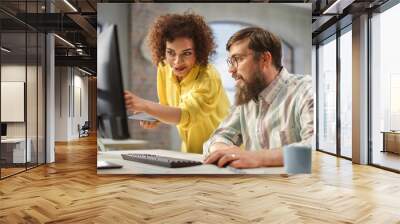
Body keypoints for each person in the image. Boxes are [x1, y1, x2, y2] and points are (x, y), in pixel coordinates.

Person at [203, 27, 313, 168]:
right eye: (231, 61)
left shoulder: (306, 90)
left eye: (238, 59)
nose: (231, 70)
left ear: (265, 59)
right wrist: (224, 151)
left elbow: (316, 151)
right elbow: (218, 138)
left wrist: (258, 158)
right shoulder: (246, 98)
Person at [124, 12, 230, 154]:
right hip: (191, 153)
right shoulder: (164, 67)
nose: (177, 62)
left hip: (224, 153)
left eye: (186, 53)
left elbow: (185, 114)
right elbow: (168, 106)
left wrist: (145, 105)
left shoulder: (208, 77)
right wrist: (155, 116)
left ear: (198, 52)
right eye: (171, 52)